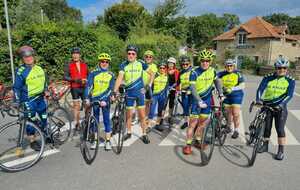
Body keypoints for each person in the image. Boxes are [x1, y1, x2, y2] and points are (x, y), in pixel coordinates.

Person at [183, 49, 224, 155]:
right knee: (192, 124)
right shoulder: (194, 72)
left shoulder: (213, 71)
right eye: (203, 61)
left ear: (210, 61)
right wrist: (199, 100)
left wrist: (221, 94)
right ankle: (188, 145)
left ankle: (197, 140)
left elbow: (217, 82)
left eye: (207, 61)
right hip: (196, 101)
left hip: (207, 100)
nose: (205, 63)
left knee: (202, 123)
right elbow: (192, 88)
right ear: (200, 61)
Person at [256, 56, 295, 160]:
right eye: (279, 68)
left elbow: (289, 95)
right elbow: (260, 89)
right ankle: (265, 146)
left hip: (280, 108)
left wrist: (281, 105)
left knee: (280, 129)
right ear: (275, 68)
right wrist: (258, 100)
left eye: (284, 68)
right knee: (267, 128)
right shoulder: (268, 77)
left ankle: (281, 151)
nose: (282, 70)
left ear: (287, 69)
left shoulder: (290, 80)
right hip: (267, 106)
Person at [113, 45, 153, 144]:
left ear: (136, 55)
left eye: (133, 54)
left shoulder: (141, 63)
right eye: (129, 53)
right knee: (129, 115)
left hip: (140, 93)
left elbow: (152, 74)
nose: (130, 55)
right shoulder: (123, 65)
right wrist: (115, 91)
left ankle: (144, 134)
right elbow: (119, 78)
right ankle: (129, 132)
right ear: (127, 54)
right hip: (129, 93)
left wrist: (148, 86)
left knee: (142, 115)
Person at [13, 45, 48, 151]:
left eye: (30, 56)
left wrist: (46, 90)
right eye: (25, 57)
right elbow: (16, 88)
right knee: (30, 121)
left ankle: (46, 135)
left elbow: (44, 81)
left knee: (44, 117)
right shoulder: (21, 71)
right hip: (28, 100)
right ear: (22, 59)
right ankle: (33, 141)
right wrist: (17, 101)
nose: (28, 58)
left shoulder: (39, 68)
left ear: (34, 56)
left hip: (41, 99)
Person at [84, 53, 115, 150]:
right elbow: (89, 86)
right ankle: (95, 140)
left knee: (106, 120)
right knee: (95, 120)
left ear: (108, 63)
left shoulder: (111, 75)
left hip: (105, 101)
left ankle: (108, 141)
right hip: (95, 99)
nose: (104, 63)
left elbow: (111, 89)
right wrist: (87, 98)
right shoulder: (93, 73)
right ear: (99, 62)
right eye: (102, 61)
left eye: (106, 62)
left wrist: (105, 100)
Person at [217, 59, 245, 139]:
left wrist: (232, 89)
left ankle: (236, 130)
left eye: (231, 66)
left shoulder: (238, 74)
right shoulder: (222, 73)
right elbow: (214, 79)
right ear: (225, 66)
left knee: (235, 113)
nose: (229, 67)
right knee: (228, 113)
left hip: (237, 96)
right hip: (226, 96)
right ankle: (228, 127)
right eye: (227, 66)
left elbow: (242, 85)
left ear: (233, 66)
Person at [64, 47, 88, 135]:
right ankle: (77, 124)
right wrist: (75, 80)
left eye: (77, 53)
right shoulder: (68, 64)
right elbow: (65, 77)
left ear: (79, 55)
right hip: (75, 87)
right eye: (73, 53)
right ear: (72, 55)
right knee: (76, 106)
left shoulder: (84, 64)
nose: (75, 55)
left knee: (87, 104)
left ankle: (87, 120)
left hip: (85, 87)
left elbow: (88, 75)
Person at [148, 62, 169, 132]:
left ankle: (157, 124)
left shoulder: (167, 76)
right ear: (158, 68)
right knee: (152, 110)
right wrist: (151, 95)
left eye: (164, 68)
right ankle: (149, 125)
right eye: (161, 68)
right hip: (155, 95)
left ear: (165, 69)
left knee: (160, 111)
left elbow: (169, 86)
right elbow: (150, 86)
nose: (162, 69)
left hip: (163, 96)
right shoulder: (155, 75)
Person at [178, 55, 193, 130]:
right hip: (184, 92)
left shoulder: (193, 71)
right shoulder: (181, 73)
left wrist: (190, 89)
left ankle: (193, 123)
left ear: (189, 64)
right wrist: (177, 90)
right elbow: (178, 82)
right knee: (185, 107)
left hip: (193, 92)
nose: (185, 66)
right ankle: (186, 122)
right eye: (183, 64)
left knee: (193, 108)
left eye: (186, 64)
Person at [143, 50, 157, 118]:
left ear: (152, 58)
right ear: (144, 58)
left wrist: (150, 84)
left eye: (150, 57)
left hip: (148, 86)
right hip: (140, 85)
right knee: (138, 103)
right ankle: (138, 117)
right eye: (147, 56)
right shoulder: (141, 65)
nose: (148, 58)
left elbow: (153, 75)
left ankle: (145, 116)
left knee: (147, 103)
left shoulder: (153, 66)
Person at [166, 57, 180, 123]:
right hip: (166, 90)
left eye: (172, 64)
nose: (170, 65)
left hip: (173, 90)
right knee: (164, 104)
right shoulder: (165, 70)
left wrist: (172, 87)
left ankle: (169, 116)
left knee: (171, 104)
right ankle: (161, 118)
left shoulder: (176, 71)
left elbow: (178, 81)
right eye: (169, 63)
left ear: (174, 64)